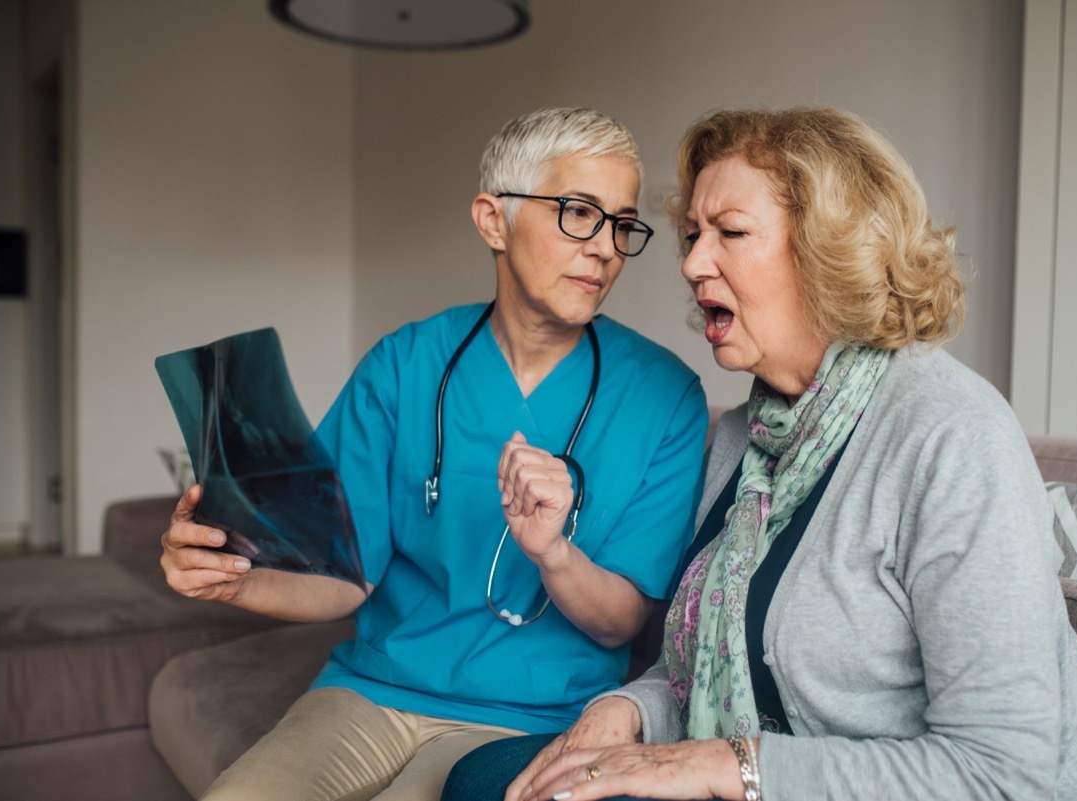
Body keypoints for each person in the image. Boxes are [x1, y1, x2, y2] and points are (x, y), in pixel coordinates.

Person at [441, 106, 1077, 801]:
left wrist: (724, 763)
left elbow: (1003, 773)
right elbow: (698, 660)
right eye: (691, 235)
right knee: (486, 778)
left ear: (830, 253)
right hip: (765, 776)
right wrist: (623, 712)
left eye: (730, 233)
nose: (690, 263)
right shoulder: (746, 434)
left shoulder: (953, 435)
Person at [159, 106, 709, 801]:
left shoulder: (665, 398)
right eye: (578, 212)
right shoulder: (404, 365)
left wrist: (554, 554)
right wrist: (232, 578)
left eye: (621, 224)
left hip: (528, 720)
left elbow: (624, 619)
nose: (604, 247)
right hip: (368, 694)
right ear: (492, 219)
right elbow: (343, 576)